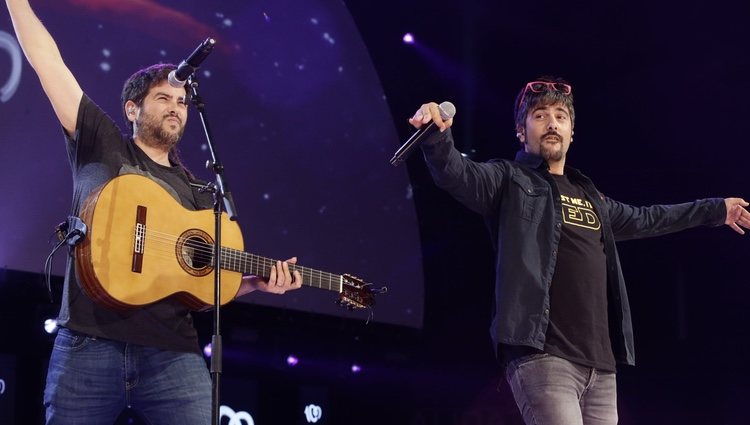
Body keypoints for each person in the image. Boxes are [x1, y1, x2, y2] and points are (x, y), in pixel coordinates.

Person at [6, 1, 303, 423]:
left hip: (172, 354)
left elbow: (202, 286)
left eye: (182, 101)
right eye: (163, 97)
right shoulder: (101, 144)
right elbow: (45, 60)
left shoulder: (202, 193)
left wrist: (255, 284)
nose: (175, 107)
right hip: (89, 344)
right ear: (133, 109)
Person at [409, 76, 750, 425]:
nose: (552, 123)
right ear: (521, 131)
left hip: (601, 366)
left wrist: (716, 209)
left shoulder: (591, 196)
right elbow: (457, 174)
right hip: (542, 355)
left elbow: (649, 218)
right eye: (540, 115)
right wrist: (437, 136)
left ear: (572, 131)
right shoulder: (508, 179)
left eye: (560, 115)